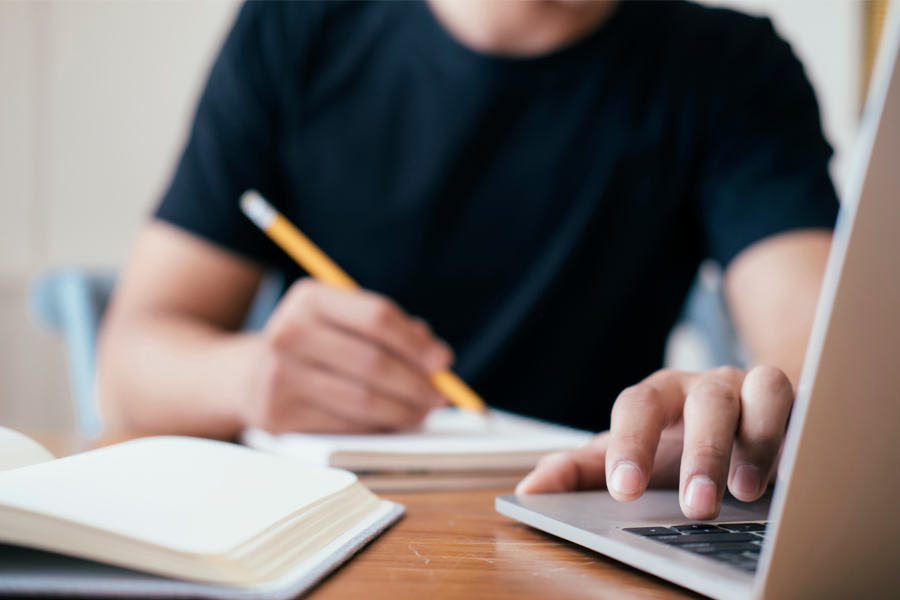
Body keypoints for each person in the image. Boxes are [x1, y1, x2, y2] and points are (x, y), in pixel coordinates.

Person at [98, 0, 837, 521]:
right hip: (323, 521)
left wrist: (746, 414)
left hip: (582, 518)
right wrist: (249, 376)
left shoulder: (733, 67)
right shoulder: (296, 26)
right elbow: (129, 364)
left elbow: (820, 340)